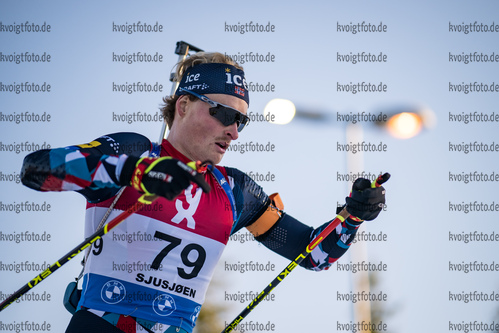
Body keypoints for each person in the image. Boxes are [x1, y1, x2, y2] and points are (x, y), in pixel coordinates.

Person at [20, 52, 386, 333]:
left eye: (241, 121)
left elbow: (313, 255)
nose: (234, 132)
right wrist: (133, 172)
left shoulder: (234, 189)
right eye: (224, 115)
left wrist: (353, 215)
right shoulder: (134, 150)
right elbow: (36, 171)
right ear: (183, 106)